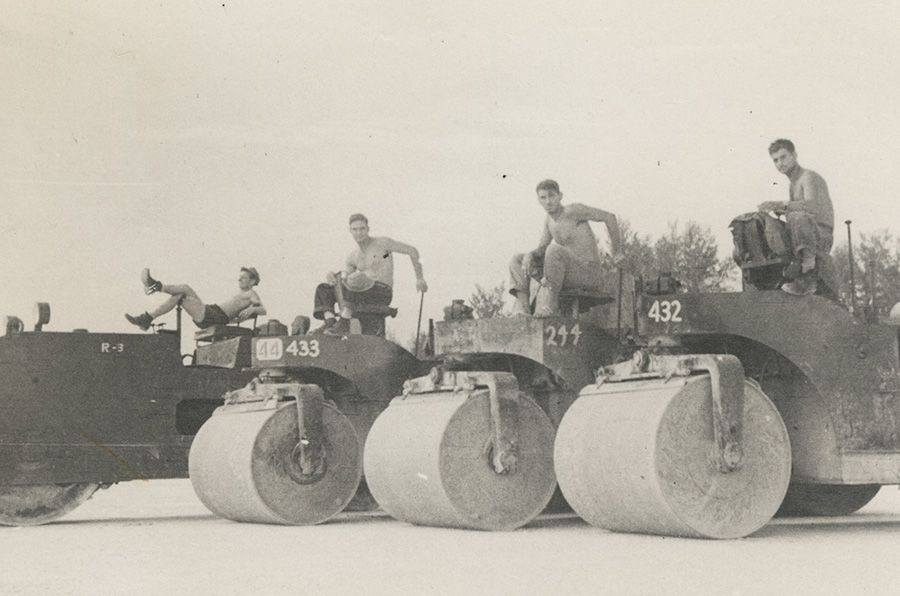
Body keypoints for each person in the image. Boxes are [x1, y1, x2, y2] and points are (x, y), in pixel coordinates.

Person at [509, 179, 624, 317]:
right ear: (538, 200)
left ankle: (550, 305)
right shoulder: (549, 221)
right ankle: (523, 309)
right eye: (543, 197)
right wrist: (530, 255)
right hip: (567, 274)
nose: (548, 201)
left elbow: (609, 217)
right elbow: (542, 249)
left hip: (589, 274)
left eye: (551, 196)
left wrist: (617, 252)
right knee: (517, 259)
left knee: (553, 250)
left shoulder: (574, 211)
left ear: (560, 196)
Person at [312, 213, 428, 335]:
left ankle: (344, 322)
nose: (359, 232)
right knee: (323, 288)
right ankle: (330, 321)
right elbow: (345, 279)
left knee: (356, 279)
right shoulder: (353, 256)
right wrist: (334, 278)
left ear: (368, 229)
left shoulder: (382, 243)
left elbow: (412, 250)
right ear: (350, 231)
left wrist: (420, 278)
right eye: (355, 229)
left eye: (362, 228)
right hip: (361, 292)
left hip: (381, 292)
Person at [758, 139, 835, 295]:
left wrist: (781, 205)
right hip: (807, 232)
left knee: (798, 217)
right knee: (765, 224)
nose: (780, 163)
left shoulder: (808, 176)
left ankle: (808, 270)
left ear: (794, 155)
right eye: (775, 160)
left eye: (784, 157)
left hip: (821, 235)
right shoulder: (793, 184)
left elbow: (811, 206)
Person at [125, 267, 266, 331]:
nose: (239, 279)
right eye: (239, 276)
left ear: (252, 282)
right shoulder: (242, 292)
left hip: (216, 317)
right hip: (212, 311)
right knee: (182, 292)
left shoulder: (251, 293)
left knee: (183, 292)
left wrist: (254, 308)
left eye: (244, 278)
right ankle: (148, 314)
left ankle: (153, 292)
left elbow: (263, 309)